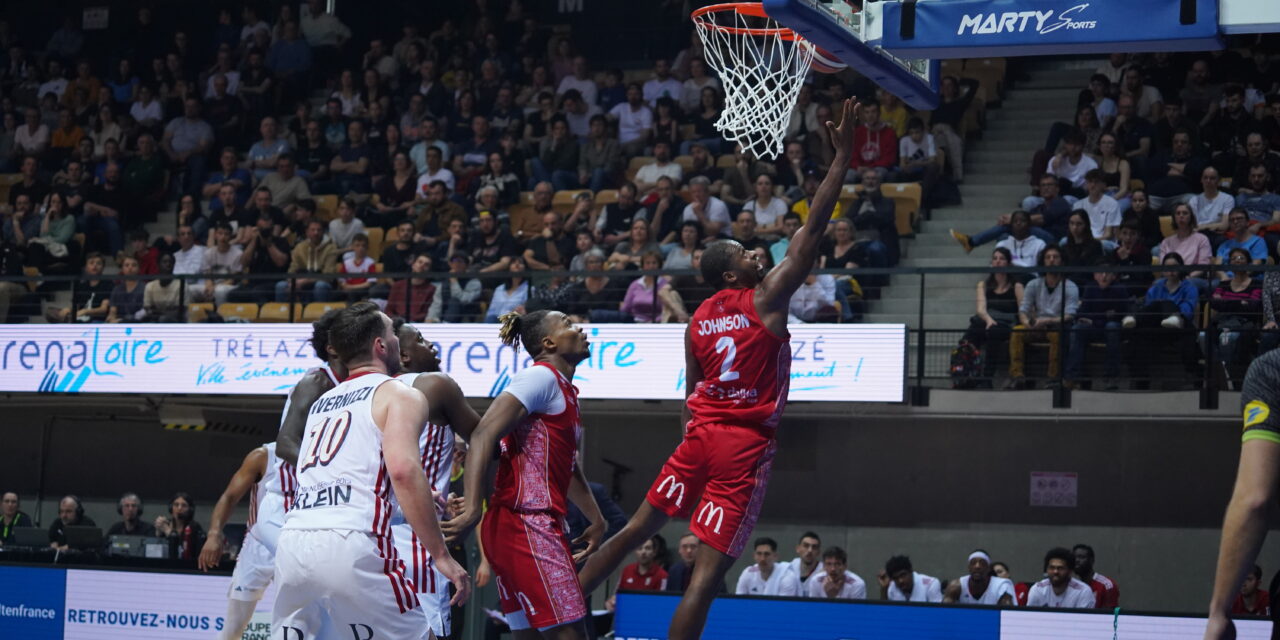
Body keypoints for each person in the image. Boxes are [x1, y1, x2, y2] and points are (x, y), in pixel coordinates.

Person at [575, 99, 859, 640]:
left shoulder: (697, 318)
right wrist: (841, 159)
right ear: (730, 270)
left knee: (635, 529)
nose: (759, 255)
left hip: (698, 437)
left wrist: (696, 440)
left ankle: (554, 622)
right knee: (705, 576)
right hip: (741, 444)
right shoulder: (768, 297)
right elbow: (814, 227)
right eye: (749, 253)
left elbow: (690, 393)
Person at [272, 303, 470, 638]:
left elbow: (346, 474)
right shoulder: (398, 393)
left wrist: (420, 492)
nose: (395, 340)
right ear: (381, 345)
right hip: (353, 544)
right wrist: (441, 555)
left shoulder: (325, 401)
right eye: (393, 333)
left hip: (293, 545)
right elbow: (404, 471)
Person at [442, 310, 605, 638]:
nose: (581, 329)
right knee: (572, 633)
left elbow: (568, 468)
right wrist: (474, 508)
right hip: (527, 522)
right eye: (569, 325)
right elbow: (482, 435)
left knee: (527, 634)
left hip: (524, 524)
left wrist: (597, 519)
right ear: (549, 342)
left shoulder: (565, 390)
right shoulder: (539, 378)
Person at [390, 320, 482, 638]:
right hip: (415, 533)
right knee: (428, 631)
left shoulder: (372, 393)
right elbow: (484, 438)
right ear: (403, 356)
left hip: (370, 532)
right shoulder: (432, 383)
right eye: (421, 340)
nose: (432, 346)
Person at [198, 442, 295, 640]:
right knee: (234, 626)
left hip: (294, 547)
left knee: (291, 623)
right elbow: (229, 497)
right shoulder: (263, 456)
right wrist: (214, 534)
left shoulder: (320, 456)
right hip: (257, 546)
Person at [275, 310, 347, 469]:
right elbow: (285, 444)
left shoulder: (352, 383)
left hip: (327, 490)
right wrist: (326, 474)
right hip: (289, 491)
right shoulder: (316, 382)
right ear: (332, 348)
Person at [1009, 245, 1079, 388]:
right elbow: (1023, 309)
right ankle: (1017, 376)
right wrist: (1027, 323)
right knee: (1017, 331)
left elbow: (1070, 315)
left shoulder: (1070, 286)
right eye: (1048, 257)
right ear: (1043, 262)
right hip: (1036, 325)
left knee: (1057, 335)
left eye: (1055, 257)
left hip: (1056, 325)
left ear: (1062, 261)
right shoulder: (1033, 284)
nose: (1051, 260)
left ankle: (1053, 378)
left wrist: (1047, 320)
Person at [1065, 259, 1130, 389]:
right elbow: (1082, 314)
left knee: (1112, 327)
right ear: (1095, 275)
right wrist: (1103, 317)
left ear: (1114, 276)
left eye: (1108, 273)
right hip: (1095, 328)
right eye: (1100, 273)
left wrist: (1095, 319)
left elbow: (1120, 314)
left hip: (1113, 330)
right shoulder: (1090, 287)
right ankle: (1073, 376)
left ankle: (1111, 377)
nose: (1104, 276)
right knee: (1077, 329)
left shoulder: (1120, 289)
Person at [1027, 547, 1098, 608]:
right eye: (1052, 568)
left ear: (1070, 571)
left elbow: (1085, 621)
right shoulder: (1037, 589)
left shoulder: (1083, 591)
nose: (1055, 571)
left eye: (1060, 568)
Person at [611, 535, 670, 607]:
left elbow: (661, 602)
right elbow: (617, 595)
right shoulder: (627, 570)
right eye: (640, 548)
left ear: (654, 552)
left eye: (647, 548)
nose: (643, 552)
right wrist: (611, 602)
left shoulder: (662, 575)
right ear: (635, 552)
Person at [943, 550, 1015, 605]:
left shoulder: (1001, 585)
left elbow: (1008, 615)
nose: (977, 566)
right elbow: (943, 612)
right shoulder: (956, 586)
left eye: (982, 563)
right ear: (969, 568)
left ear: (989, 568)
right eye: (973, 563)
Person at [736, 537, 801, 597]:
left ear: (775, 556)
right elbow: (738, 601)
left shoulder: (787, 576)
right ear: (754, 556)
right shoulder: (748, 572)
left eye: (766, 554)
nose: (762, 559)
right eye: (759, 554)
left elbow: (783, 606)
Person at [1072, 544, 1119, 609]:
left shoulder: (1106, 585)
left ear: (1091, 560)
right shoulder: (1072, 586)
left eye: (1081, 557)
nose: (1077, 560)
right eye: (1074, 557)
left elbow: (1109, 616)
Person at [878, 555, 943, 602]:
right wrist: (884, 589)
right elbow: (885, 613)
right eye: (896, 578)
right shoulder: (891, 587)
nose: (900, 581)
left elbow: (938, 614)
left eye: (903, 575)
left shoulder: (931, 584)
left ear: (911, 571)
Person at [785, 531, 825, 596]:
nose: (810, 550)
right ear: (798, 549)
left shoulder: (824, 572)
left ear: (818, 552)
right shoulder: (789, 568)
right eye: (806, 546)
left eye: (814, 547)